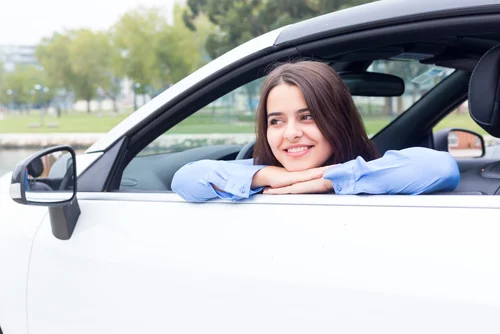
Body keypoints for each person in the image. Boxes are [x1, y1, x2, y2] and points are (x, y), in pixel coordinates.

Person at [171, 61, 460, 202]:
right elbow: (185, 179)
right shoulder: (257, 174)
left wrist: (329, 180)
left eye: (307, 117)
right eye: (276, 121)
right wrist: (271, 176)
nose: (291, 133)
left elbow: (442, 167)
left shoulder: (371, 172)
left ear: (338, 119)